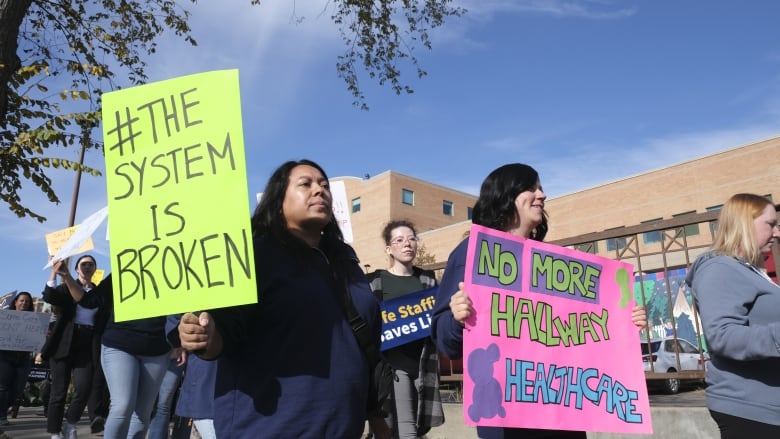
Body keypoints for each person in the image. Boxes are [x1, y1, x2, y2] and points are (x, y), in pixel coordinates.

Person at [430, 163, 648, 439]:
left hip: (562, 415)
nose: (542, 195)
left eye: (541, 188)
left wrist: (624, 322)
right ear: (506, 195)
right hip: (507, 420)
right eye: (531, 188)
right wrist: (457, 318)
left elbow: (581, 330)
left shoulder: (555, 262)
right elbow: (445, 340)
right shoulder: (471, 252)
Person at [178, 159, 389, 438]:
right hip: (269, 427)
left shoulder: (346, 261)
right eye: (306, 184)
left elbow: (367, 347)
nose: (320, 190)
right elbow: (227, 329)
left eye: (325, 186)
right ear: (278, 201)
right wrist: (205, 335)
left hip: (343, 427)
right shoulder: (255, 254)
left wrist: (375, 417)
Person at [685, 193, 780, 438]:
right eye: (770, 224)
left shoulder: (752, 271)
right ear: (745, 224)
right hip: (751, 410)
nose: (777, 232)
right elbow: (723, 336)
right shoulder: (719, 268)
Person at [64, 272, 170, 439]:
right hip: (120, 345)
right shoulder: (124, 268)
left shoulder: (172, 268)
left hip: (157, 350)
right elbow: (88, 301)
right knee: (122, 405)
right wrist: (65, 275)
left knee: (143, 412)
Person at [367, 220, 444, 438]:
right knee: (405, 428)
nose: (407, 244)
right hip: (393, 366)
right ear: (389, 249)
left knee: (420, 428)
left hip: (423, 364)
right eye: (399, 240)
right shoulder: (375, 281)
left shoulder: (428, 280)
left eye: (411, 239)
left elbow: (438, 317)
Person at [42, 254, 107, 439]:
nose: (87, 267)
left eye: (91, 265)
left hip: (87, 344)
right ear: (77, 269)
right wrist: (54, 274)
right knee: (59, 391)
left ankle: (71, 423)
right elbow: (49, 295)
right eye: (83, 264)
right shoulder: (66, 287)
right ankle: (55, 432)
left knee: (84, 387)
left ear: (94, 270)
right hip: (64, 342)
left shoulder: (99, 293)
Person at [0, 291, 35, 426]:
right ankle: (2, 415)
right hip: (5, 356)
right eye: (21, 301)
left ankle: (4, 407)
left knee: (18, 389)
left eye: (27, 301)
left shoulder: (35, 320)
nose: (24, 303)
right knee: (3, 387)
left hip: (23, 358)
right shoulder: (5, 317)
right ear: (15, 302)